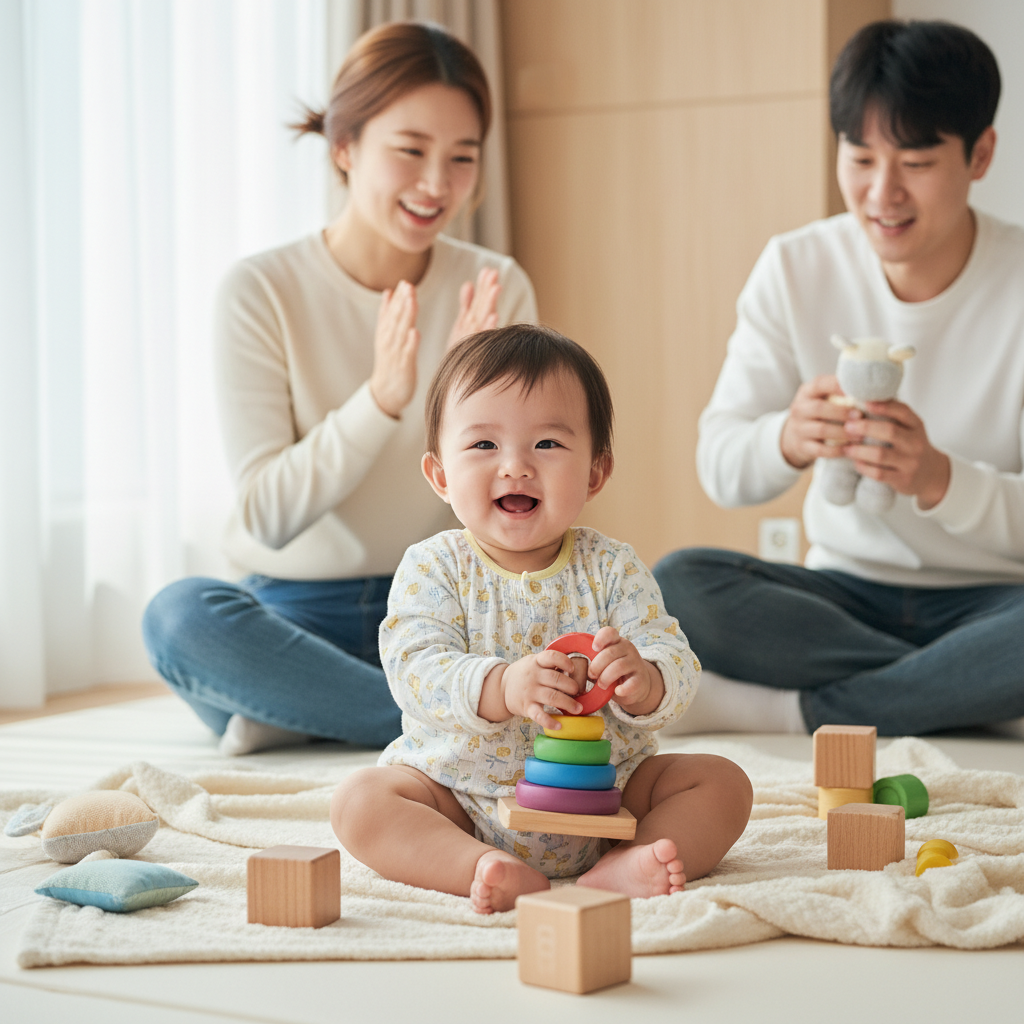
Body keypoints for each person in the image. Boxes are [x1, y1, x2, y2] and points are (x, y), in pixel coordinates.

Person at [142, 22, 536, 755]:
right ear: (345, 148)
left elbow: (517, 510)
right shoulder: (260, 290)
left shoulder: (494, 285)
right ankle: (430, 720)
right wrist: (385, 397)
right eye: (410, 151)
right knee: (178, 617)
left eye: (462, 158)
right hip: (295, 616)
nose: (435, 184)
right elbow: (269, 515)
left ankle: (306, 716)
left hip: (445, 606)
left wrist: (463, 408)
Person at [654, 19, 1024, 738]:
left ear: (980, 154)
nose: (881, 194)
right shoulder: (796, 267)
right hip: (837, 598)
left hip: (995, 597)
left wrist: (942, 481)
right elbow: (721, 465)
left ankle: (801, 712)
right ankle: (975, 695)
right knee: (679, 583)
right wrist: (786, 440)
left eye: (915, 162)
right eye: (860, 157)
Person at [330, 325, 753, 914]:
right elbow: (415, 668)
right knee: (361, 801)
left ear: (595, 473)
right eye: (483, 446)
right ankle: (477, 865)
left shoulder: (611, 567)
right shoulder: (433, 566)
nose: (516, 467)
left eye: (548, 444)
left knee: (723, 782)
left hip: (611, 798)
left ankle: (629, 862)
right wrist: (501, 686)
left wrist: (647, 679)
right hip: (464, 796)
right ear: (440, 475)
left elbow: (674, 655)